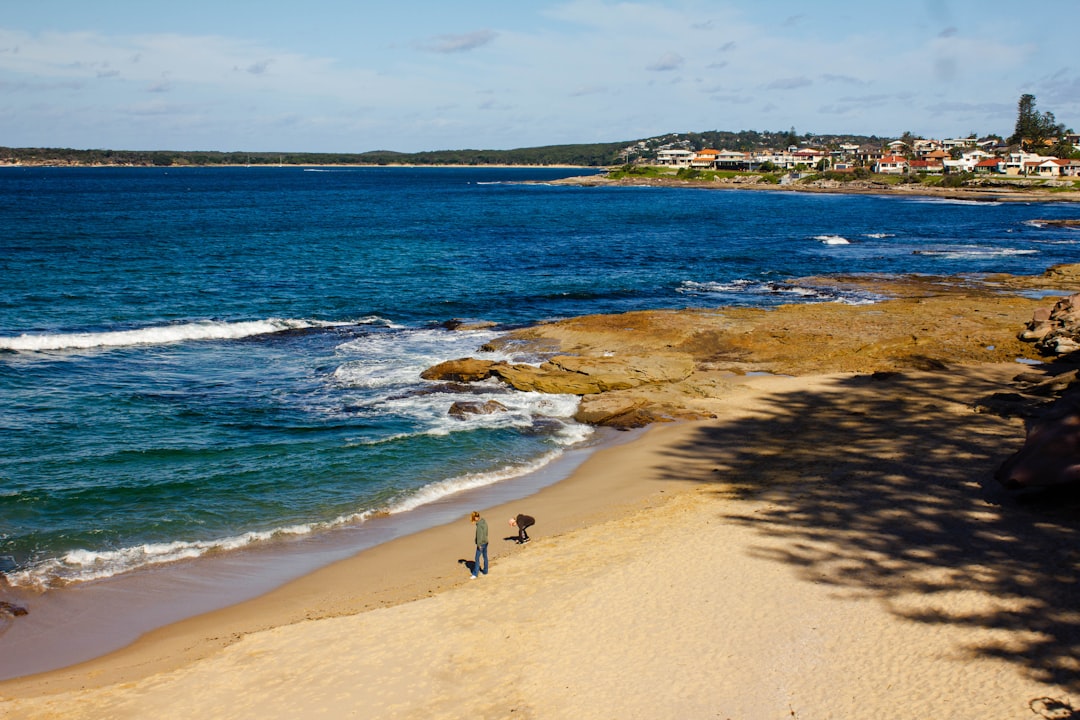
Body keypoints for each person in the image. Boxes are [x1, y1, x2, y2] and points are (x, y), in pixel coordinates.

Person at [470, 510, 488, 578]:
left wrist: (479, 544)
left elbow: (479, 535)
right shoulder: (484, 522)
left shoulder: (479, 525)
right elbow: (486, 532)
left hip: (481, 543)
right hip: (486, 541)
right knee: (485, 556)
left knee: (477, 558)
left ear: (476, 518)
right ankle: (485, 571)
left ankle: (475, 574)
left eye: (473, 519)